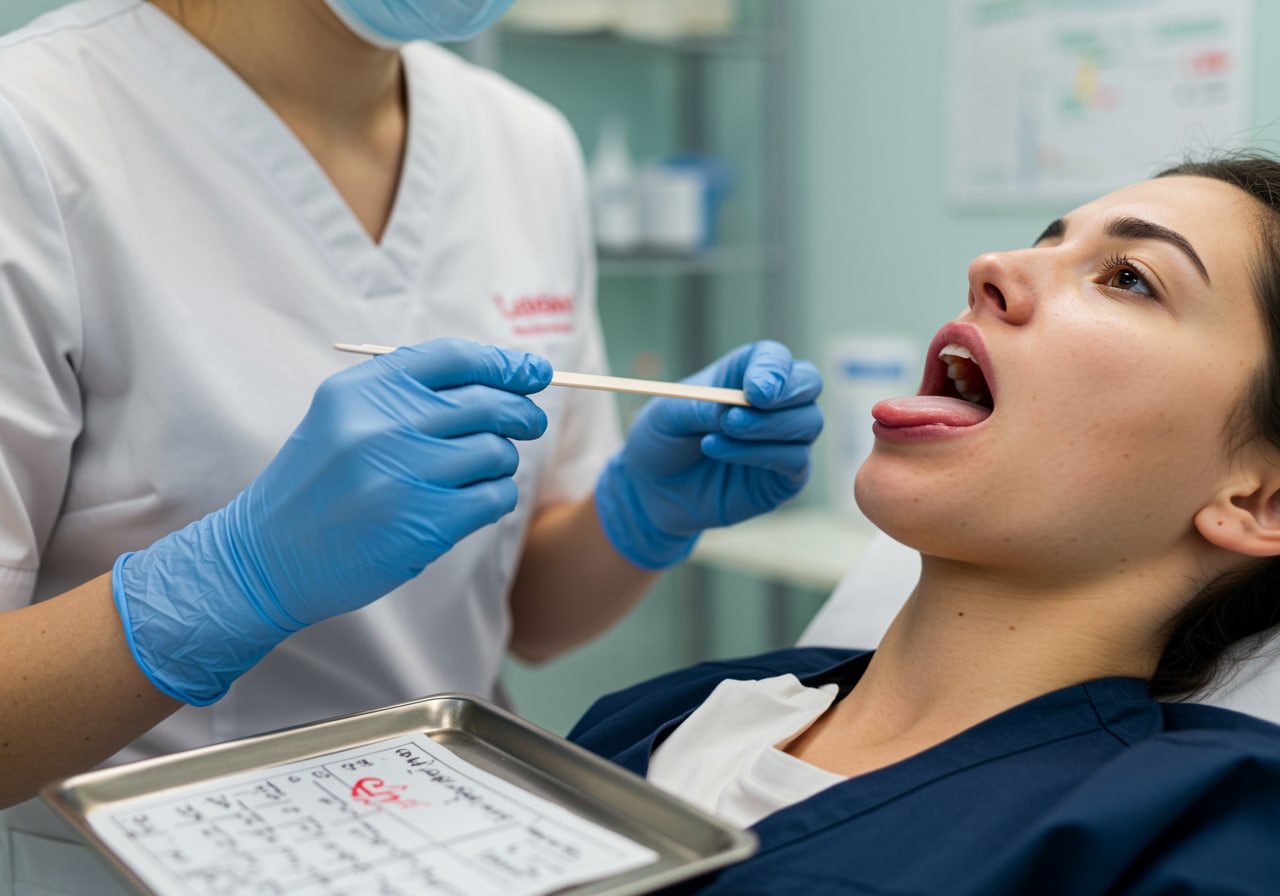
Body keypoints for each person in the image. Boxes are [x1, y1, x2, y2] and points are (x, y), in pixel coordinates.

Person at [0, 0, 821, 767]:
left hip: (461, 831)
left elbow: (526, 618)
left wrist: (635, 515)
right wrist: (230, 583)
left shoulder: (523, 142)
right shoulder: (34, 128)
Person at [567, 153, 1280, 894]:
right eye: (1045, 241)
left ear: (1260, 502)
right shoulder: (674, 710)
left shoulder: (1203, 827)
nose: (991, 265)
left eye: (1128, 277)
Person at [0, 337, 553, 809]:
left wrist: (629, 514)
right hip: (160, 834)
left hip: (459, 818)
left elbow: (536, 624)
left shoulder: (535, 207)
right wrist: (234, 575)